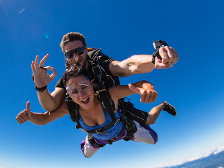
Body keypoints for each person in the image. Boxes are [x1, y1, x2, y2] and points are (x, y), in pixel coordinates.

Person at [17, 66, 177, 158]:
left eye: (84, 86)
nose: (80, 94)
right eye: (73, 90)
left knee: (152, 128)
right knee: (85, 155)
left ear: (92, 85)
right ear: (69, 94)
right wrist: (30, 116)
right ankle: (90, 138)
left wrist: (147, 88)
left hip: (125, 131)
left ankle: (162, 105)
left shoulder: (109, 95)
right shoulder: (70, 106)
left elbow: (141, 83)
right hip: (98, 139)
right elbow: (44, 119)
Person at [31, 32, 179, 112]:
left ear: (86, 49)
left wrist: (153, 59)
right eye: (70, 54)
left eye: (79, 51)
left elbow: (126, 66)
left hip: (118, 111)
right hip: (96, 123)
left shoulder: (99, 63)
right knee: (88, 152)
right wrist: (40, 87)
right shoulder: (68, 80)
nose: (75, 57)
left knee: (151, 133)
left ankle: (162, 106)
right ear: (66, 58)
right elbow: (51, 106)